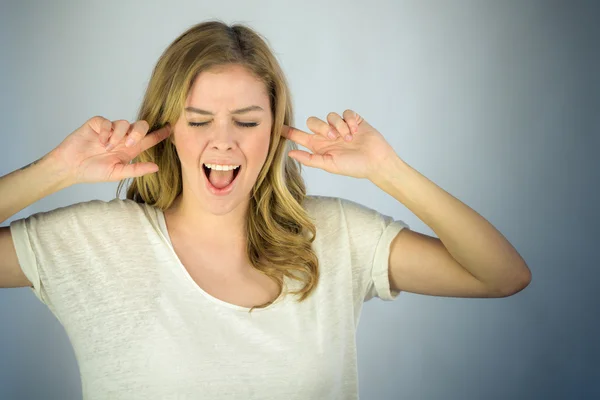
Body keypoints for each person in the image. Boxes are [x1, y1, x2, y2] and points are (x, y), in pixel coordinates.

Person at [0, 20, 531, 400]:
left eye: (248, 122)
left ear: (276, 133)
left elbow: (502, 275)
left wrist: (387, 170)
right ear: (166, 129)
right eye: (200, 119)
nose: (224, 142)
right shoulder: (92, 240)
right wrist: (57, 171)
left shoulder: (334, 234)